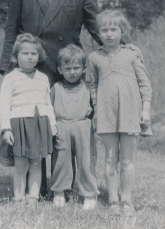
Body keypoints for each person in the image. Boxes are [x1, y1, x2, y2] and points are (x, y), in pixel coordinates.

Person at [0, 0, 101, 196]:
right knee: (33, 127)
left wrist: (120, 54)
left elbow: (97, 29)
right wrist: (7, 69)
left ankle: (63, 189)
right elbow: (11, 31)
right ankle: (38, 189)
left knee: (63, 130)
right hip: (31, 69)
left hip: (68, 71)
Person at [88, 10, 152, 216]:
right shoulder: (94, 57)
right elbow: (93, 86)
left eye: (113, 29)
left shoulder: (133, 53)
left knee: (127, 159)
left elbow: (145, 84)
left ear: (122, 31)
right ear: (98, 33)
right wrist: (96, 110)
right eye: (104, 30)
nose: (109, 34)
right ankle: (113, 200)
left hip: (130, 113)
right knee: (109, 158)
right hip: (106, 114)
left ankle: (127, 200)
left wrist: (146, 108)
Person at [0, 33, 57, 203]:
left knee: (37, 163)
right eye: (25, 53)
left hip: (40, 124)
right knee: (21, 164)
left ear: (39, 56)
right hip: (20, 126)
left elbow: (47, 103)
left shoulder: (43, 78)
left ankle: (33, 197)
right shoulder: (10, 79)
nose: (30, 57)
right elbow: (3, 104)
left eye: (34, 53)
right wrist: (6, 128)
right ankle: (18, 198)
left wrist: (52, 124)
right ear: (16, 57)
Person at [50, 44, 98, 210]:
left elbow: (97, 107)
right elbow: (48, 109)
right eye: (67, 68)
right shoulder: (56, 88)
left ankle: (89, 194)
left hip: (83, 127)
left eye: (76, 68)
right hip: (61, 127)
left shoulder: (88, 86)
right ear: (60, 69)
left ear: (84, 69)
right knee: (61, 162)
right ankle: (59, 192)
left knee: (86, 162)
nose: (72, 72)